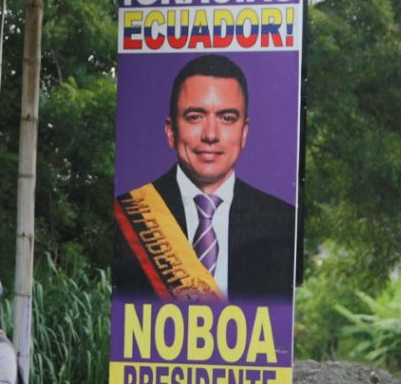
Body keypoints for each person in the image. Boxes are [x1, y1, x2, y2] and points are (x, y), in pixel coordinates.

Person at [113, 54, 295, 302]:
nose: (210, 134)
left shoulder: (282, 222)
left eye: (227, 118)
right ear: (171, 131)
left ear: (244, 133)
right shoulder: (128, 217)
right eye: (195, 117)